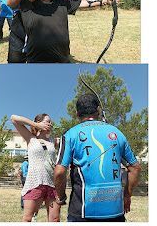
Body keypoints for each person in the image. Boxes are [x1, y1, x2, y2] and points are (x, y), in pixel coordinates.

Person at [54, 94, 141, 222]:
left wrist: (61, 197)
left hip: (82, 213)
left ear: (77, 114)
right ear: (98, 111)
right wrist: (127, 196)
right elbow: (135, 168)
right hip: (115, 212)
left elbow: (59, 172)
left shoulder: (70, 135)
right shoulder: (117, 133)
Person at [7, 0, 121, 63]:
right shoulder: (29, 3)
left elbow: (84, 1)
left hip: (63, 60)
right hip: (38, 62)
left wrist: (107, 0)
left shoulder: (60, 1)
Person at [11, 113, 60, 222]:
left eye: (51, 123)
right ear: (39, 123)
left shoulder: (53, 140)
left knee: (55, 219)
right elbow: (14, 118)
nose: (50, 124)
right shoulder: (30, 138)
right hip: (35, 183)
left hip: (52, 184)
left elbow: (68, 141)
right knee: (29, 219)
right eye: (48, 121)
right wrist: (35, 125)